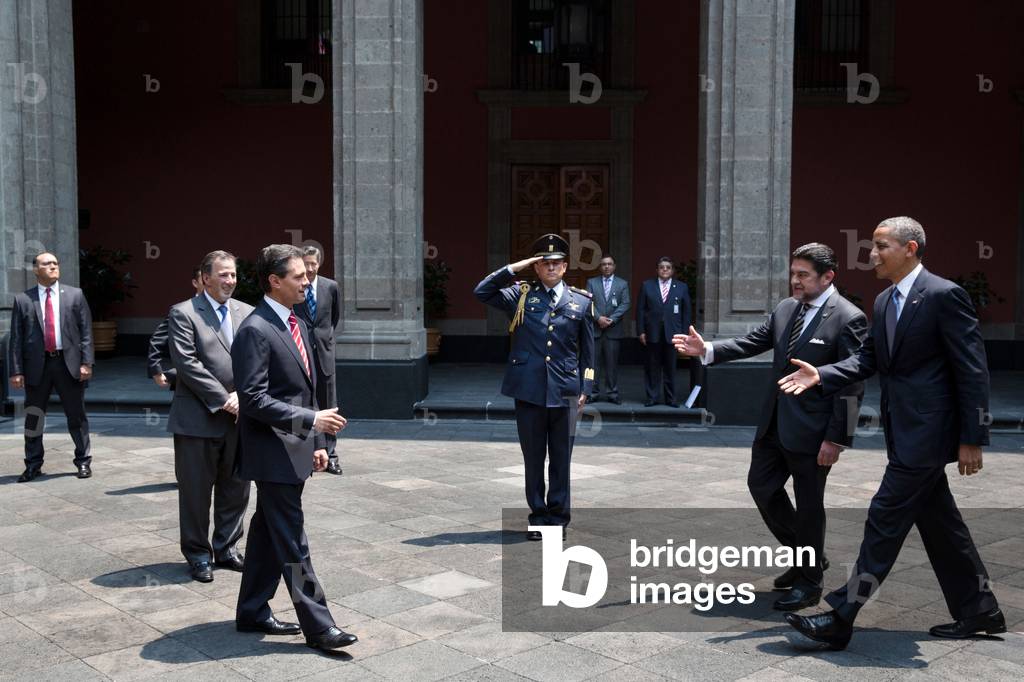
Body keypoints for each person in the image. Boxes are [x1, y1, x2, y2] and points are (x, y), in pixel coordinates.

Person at [779, 217, 1004, 649]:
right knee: (942, 525)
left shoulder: (943, 295)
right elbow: (867, 360)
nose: (872, 255)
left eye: (881, 246)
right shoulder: (883, 301)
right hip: (903, 432)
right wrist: (821, 374)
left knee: (884, 518)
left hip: (928, 434)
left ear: (911, 248)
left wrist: (973, 436)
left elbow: (972, 370)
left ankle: (842, 615)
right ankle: (981, 611)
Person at [675, 243, 867, 611]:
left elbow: (853, 383)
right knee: (761, 488)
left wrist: (836, 438)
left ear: (828, 277)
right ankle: (806, 555)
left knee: (810, 505)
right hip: (774, 424)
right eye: (793, 273)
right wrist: (707, 350)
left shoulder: (848, 317)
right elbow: (753, 342)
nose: (795, 281)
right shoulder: (786, 308)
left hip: (814, 433)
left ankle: (809, 582)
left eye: (803, 275)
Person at [232, 244, 355, 650]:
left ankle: (252, 611)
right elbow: (253, 399)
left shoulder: (297, 322)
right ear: (274, 281)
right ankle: (319, 626)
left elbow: (307, 390)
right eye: (299, 276)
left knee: (268, 533)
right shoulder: (254, 329)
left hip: (296, 449)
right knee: (293, 542)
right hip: (271, 455)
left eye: (307, 274)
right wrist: (311, 422)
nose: (308, 281)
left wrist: (317, 441)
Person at [474, 233, 595, 540]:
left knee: (561, 459)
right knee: (533, 458)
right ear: (538, 268)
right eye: (544, 263)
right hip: (528, 390)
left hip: (566, 390)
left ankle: (558, 518)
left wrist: (586, 388)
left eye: (556, 263)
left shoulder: (581, 301)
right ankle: (539, 517)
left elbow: (589, 353)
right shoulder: (522, 295)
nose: (551, 268)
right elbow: (482, 291)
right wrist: (517, 267)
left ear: (565, 267)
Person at [166, 251, 254, 583]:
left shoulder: (246, 312)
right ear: (205, 278)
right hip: (197, 420)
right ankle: (198, 554)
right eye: (223, 275)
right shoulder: (183, 313)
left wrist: (243, 396)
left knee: (236, 487)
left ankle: (228, 547)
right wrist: (222, 399)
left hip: (239, 417)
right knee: (195, 492)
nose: (230, 281)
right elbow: (187, 364)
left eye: (233, 275)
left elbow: (257, 359)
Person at [8, 252, 94, 481]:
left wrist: (86, 362)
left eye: (56, 262)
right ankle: (33, 464)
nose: (54, 266)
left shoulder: (75, 295)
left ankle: (83, 461)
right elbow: (16, 338)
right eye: (47, 264)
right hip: (37, 366)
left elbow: (85, 331)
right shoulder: (23, 300)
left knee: (76, 415)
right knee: (34, 417)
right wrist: (16, 370)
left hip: (69, 364)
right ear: (36, 270)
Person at [293, 245, 342, 475]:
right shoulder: (295, 286)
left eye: (314, 263)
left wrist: (324, 340)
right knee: (302, 403)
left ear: (319, 264)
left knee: (328, 406)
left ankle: (331, 455)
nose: (310, 268)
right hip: (300, 353)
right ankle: (305, 452)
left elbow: (334, 318)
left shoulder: (330, 287)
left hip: (324, 355)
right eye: (306, 263)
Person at [636, 257, 690, 406]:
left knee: (671, 368)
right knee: (652, 367)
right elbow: (640, 310)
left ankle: (671, 398)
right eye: (661, 267)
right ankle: (652, 397)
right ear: (657, 270)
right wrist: (641, 331)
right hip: (652, 333)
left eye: (668, 267)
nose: (665, 269)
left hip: (673, 334)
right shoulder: (647, 286)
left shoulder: (681, 287)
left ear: (672, 270)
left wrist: (684, 334)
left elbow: (686, 313)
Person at [148, 267, 204, 391]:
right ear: (195, 283)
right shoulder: (182, 310)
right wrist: (156, 370)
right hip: (190, 377)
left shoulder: (227, 308)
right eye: (204, 279)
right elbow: (157, 339)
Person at [586, 255, 630, 404]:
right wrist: (598, 318)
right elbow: (587, 302)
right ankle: (592, 393)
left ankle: (612, 394)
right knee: (593, 365)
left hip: (613, 330)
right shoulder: (591, 282)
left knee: (612, 364)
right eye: (604, 264)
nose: (606, 267)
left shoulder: (622, 284)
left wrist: (612, 320)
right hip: (595, 329)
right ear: (600, 267)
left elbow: (625, 303)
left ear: (614, 266)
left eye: (609, 264)